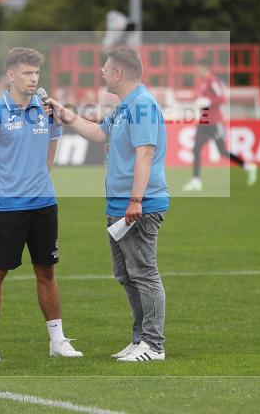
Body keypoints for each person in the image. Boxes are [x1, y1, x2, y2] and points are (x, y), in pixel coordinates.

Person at [46, 46, 168, 362]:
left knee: (144, 273)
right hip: (118, 205)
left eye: (105, 67)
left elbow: (145, 154)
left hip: (138, 205)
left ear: (119, 73)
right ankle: (140, 339)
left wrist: (136, 200)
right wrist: (64, 111)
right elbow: (98, 134)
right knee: (126, 275)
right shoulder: (124, 107)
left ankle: (153, 345)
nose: (101, 71)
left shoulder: (141, 105)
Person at [0, 47, 82, 363]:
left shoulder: (47, 109)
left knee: (46, 271)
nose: (34, 79)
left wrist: (38, 181)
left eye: (36, 73)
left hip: (44, 204)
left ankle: (57, 340)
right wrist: (0, 200)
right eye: (27, 73)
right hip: (8, 207)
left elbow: (51, 149)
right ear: (11, 75)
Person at [182, 63, 257, 191]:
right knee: (196, 149)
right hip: (204, 122)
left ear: (204, 68)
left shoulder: (213, 81)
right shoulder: (203, 82)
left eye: (198, 69)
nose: (197, 72)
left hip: (215, 123)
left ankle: (248, 167)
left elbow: (222, 98)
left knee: (222, 151)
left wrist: (209, 102)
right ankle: (196, 181)